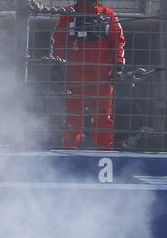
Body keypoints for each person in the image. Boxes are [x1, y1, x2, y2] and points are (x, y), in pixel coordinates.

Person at [51, 0, 125, 149]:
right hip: (77, 75)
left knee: (101, 117)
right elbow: (58, 41)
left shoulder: (107, 15)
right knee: (74, 115)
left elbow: (117, 41)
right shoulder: (69, 15)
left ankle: (102, 150)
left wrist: (118, 65)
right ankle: (70, 149)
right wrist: (57, 63)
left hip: (100, 75)